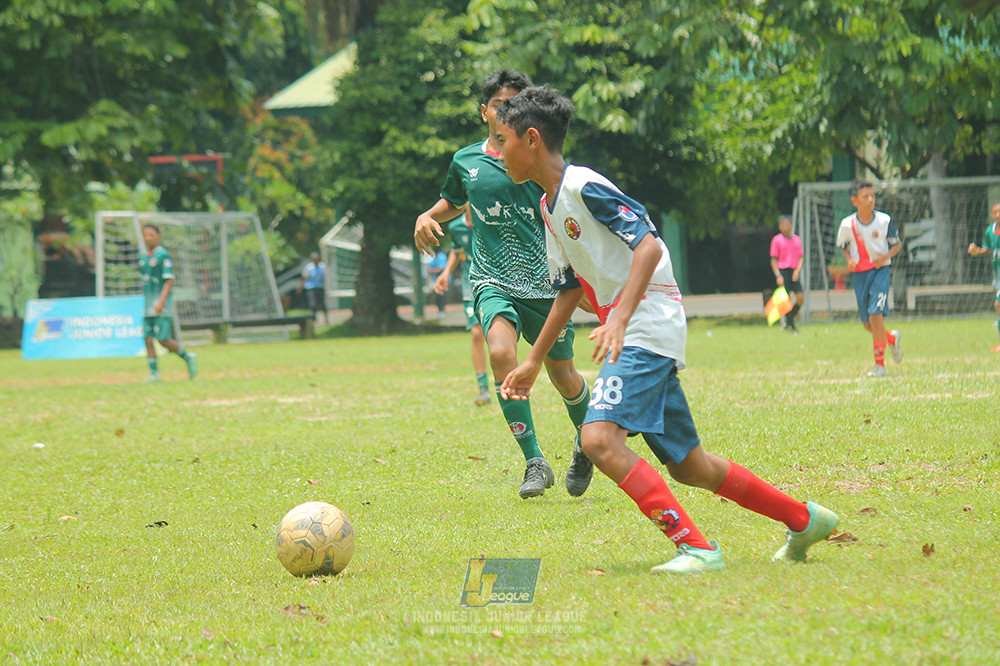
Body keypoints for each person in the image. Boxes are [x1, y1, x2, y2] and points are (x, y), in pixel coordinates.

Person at [495, 85, 838, 573]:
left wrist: (618, 317)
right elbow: (570, 289)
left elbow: (649, 247)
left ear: (531, 139)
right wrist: (533, 359)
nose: (496, 150)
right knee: (689, 465)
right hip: (633, 324)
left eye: (501, 139)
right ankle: (805, 519)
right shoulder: (550, 208)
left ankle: (697, 548)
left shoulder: (583, 187)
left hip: (645, 321)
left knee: (597, 440)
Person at [414, 70, 593, 500]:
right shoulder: (466, 161)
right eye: (498, 104)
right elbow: (453, 202)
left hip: (544, 282)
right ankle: (534, 461)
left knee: (564, 376)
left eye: (514, 104)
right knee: (499, 352)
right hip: (492, 277)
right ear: (484, 111)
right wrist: (427, 216)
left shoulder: (533, 159)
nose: (504, 111)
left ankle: (587, 440)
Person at [835, 179, 903, 377]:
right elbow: (844, 246)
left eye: (872, 195)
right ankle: (891, 339)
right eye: (865, 197)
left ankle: (880, 366)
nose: (870, 199)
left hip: (880, 272)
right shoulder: (847, 224)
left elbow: (896, 244)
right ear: (854, 200)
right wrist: (849, 260)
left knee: (876, 316)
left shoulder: (884, 221)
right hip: (859, 275)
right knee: (868, 324)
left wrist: (886, 257)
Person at [435, 209, 491, 405]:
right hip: (471, 285)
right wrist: (446, 273)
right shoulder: (456, 226)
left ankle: (507, 382)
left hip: (495, 282)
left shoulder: (490, 217)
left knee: (498, 333)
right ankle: (483, 389)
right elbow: (457, 252)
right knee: (477, 334)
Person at [139, 224, 197, 382]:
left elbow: (169, 281)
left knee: (163, 339)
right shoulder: (144, 258)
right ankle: (154, 374)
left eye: (151, 235)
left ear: (158, 236)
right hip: (147, 306)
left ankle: (188, 357)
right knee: (147, 338)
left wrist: (160, 302)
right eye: (145, 235)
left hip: (161, 306)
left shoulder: (163, 255)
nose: (148, 238)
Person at [967, 201, 1000, 352]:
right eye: (996, 212)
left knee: (998, 305)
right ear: (992, 215)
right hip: (997, 274)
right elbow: (989, 250)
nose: (998, 214)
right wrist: (977, 251)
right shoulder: (989, 231)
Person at [769, 214, 804, 333]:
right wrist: (778, 275)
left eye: (787, 224)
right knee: (786, 300)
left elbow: (800, 257)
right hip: (783, 271)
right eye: (782, 225)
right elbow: (773, 259)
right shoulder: (777, 240)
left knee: (800, 297)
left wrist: (797, 270)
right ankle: (792, 326)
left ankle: (790, 319)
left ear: (791, 225)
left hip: (793, 272)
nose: (785, 227)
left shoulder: (796, 239)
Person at [298, 252, 327, 326]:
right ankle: (314, 320)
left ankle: (326, 319)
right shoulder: (309, 267)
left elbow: (326, 277)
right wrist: (300, 286)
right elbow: (304, 277)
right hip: (311, 287)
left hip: (320, 287)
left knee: (323, 304)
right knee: (313, 304)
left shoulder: (323, 266)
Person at [426, 249, 449, 319]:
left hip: (443, 281)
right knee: (436, 297)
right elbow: (429, 269)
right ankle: (439, 311)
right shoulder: (432, 257)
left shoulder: (442, 256)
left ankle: (442, 311)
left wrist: (433, 270)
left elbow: (441, 269)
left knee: (441, 296)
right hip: (435, 281)